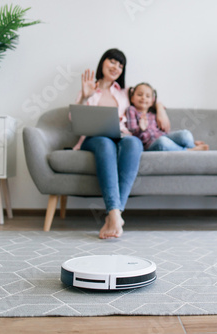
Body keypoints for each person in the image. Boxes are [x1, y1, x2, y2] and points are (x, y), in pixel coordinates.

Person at [72, 49, 170, 239]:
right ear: (103, 63)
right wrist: (85, 97)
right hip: (95, 139)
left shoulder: (126, 93)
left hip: (122, 137)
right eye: (112, 62)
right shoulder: (89, 89)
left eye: (120, 65)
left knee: (134, 143)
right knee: (105, 144)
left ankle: (113, 215)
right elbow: (74, 119)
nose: (116, 67)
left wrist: (159, 108)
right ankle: (115, 214)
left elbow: (149, 99)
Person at [126, 82, 209, 151]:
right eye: (140, 95)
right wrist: (141, 129)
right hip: (148, 145)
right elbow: (133, 132)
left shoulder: (153, 113)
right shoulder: (132, 110)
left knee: (185, 134)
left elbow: (164, 132)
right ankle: (189, 150)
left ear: (152, 101)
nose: (143, 98)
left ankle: (191, 145)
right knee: (163, 142)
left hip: (163, 136)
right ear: (132, 98)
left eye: (147, 96)